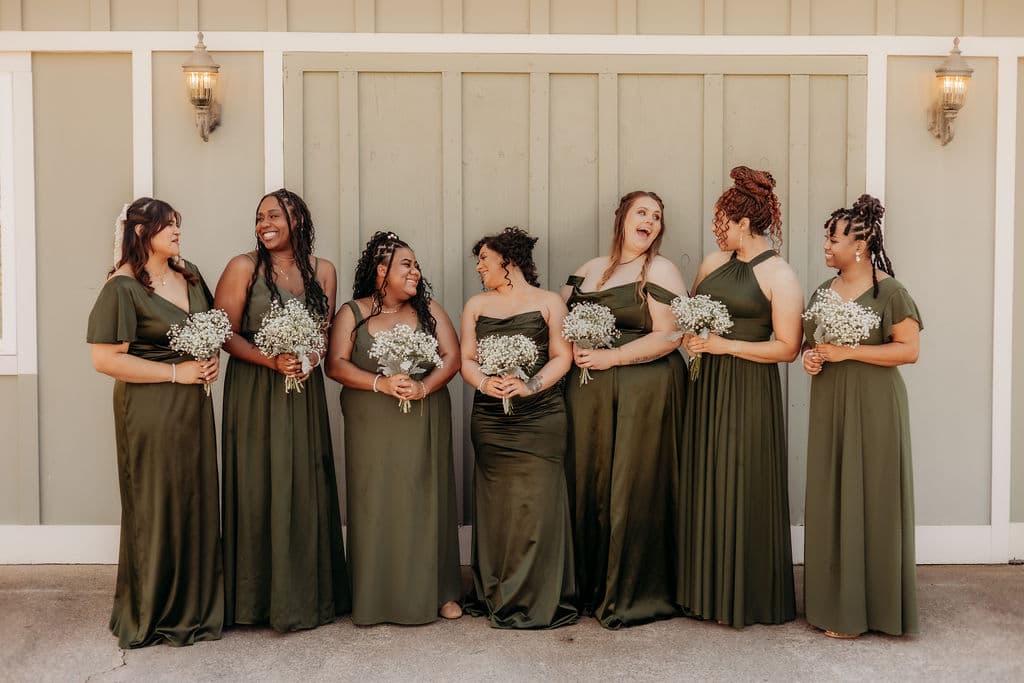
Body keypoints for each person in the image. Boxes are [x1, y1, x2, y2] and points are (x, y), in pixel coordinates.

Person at [87, 197, 223, 648]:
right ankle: (152, 610)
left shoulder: (190, 275)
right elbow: (105, 359)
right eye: (168, 225)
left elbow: (206, 332)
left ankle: (194, 607)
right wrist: (176, 373)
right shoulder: (122, 287)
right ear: (142, 232)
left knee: (193, 497)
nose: (178, 231)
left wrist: (209, 360)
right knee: (157, 502)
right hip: (149, 408)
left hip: (193, 407)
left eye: (178, 224)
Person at [214, 189, 350, 632]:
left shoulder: (323, 271)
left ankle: (309, 596)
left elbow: (325, 332)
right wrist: (271, 360)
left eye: (274, 215)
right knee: (257, 482)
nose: (264, 224)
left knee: (303, 482)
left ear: (298, 220)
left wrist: (308, 360)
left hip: (303, 389)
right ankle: (254, 601)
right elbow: (225, 332)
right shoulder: (243, 267)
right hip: (255, 388)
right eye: (259, 217)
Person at [678, 166, 802, 627]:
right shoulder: (712, 263)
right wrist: (693, 339)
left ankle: (746, 595)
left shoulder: (779, 275)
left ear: (744, 223)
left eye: (723, 222)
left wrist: (724, 346)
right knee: (705, 476)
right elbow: (691, 315)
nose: (718, 230)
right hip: (705, 386)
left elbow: (787, 347)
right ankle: (702, 592)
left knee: (742, 477)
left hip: (749, 389)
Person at [561, 190, 687, 628]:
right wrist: (574, 349)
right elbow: (558, 325)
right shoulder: (587, 270)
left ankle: (632, 588)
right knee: (588, 481)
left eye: (657, 216)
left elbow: (670, 335)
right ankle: (588, 586)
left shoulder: (660, 269)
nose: (650, 221)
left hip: (644, 393)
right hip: (588, 394)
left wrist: (612, 357)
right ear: (622, 218)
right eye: (642, 212)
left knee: (633, 484)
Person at [326, 231, 462, 624]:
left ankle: (441, 591)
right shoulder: (353, 313)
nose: (415, 271)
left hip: (423, 417)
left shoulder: (429, 310)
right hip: (371, 425)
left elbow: (452, 357)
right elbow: (335, 364)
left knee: (427, 499)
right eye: (406, 264)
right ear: (380, 270)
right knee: (376, 502)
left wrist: (423, 386)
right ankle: (375, 596)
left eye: (417, 265)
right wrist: (380, 383)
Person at [802, 194, 921, 638]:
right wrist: (811, 358)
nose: (825, 246)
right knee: (833, 494)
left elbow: (909, 350)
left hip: (875, 407)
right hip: (830, 404)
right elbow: (810, 344)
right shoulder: (822, 292)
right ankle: (835, 605)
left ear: (860, 245)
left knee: (873, 496)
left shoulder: (890, 292)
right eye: (826, 238)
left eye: (833, 239)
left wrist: (850, 352)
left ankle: (875, 610)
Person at [460, 227, 578, 629]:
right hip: (491, 418)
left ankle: (540, 594)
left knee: (538, 504)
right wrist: (484, 383)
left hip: (541, 415)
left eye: (484, 259)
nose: (479, 267)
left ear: (507, 260)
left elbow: (563, 357)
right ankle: (498, 591)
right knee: (497, 507)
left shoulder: (549, 303)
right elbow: (466, 359)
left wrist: (530, 386)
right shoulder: (476, 305)